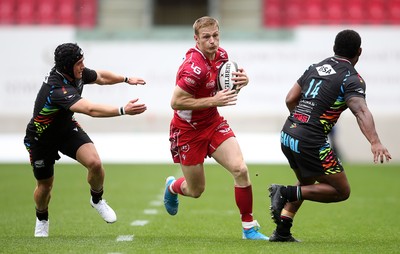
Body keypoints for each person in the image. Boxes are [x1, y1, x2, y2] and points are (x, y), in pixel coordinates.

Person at [268, 29, 392, 242]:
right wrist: (375, 141)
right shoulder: (352, 79)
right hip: (310, 140)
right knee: (341, 191)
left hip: (288, 133)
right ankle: (284, 192)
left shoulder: (316, 67)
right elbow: (360, 110)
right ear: (359, 52)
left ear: (334, 48)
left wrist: (300, 121)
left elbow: (290, 98)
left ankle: (282, 231)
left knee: (306, 183)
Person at [23, 42, 147, 237]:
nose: (83, 66)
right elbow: (90, 109)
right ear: (66, 66)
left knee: (95, 163)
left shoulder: (75, 73)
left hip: (65, 130)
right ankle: (42, 218)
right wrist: (123, 110)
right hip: (41, 138)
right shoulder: (57, 88)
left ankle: (97, 200)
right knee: (45, 186)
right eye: (79, 63)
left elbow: (101, 77)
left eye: (83, 61)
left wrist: (126, 79)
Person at [163, 16, 268, 240]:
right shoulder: (194, 68)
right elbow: (176, 102)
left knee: (240, 169)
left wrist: (241, 82)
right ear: (196, 40)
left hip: (212, 122)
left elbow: (223, 88)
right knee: (196, 190)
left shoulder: (222, 56)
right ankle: (173, 187)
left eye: (215, 36)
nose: (212, 41)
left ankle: (249, 228)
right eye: (206, 37)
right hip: (188, 130)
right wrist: (214, 101)